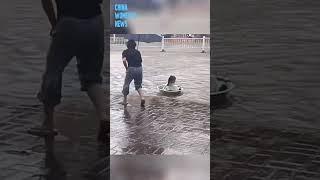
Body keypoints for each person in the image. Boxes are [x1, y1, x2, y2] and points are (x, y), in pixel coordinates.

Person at [28, 0, 107, 143]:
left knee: (53, 70)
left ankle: (48, 124)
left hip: (69, 22)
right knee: (92, 76)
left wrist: (54, 24)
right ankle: (103, 117)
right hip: (95, 21)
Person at [122, 40, 145, 107]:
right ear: (135, 45)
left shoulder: (125, 52)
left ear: (127, 45)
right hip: (139, 68)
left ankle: (125, 101)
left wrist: (127, 68)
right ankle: (142, 97)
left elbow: (124, 61)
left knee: (126, 84)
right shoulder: (138, 52)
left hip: (131, 68)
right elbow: (140, 61)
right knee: (138, 85)